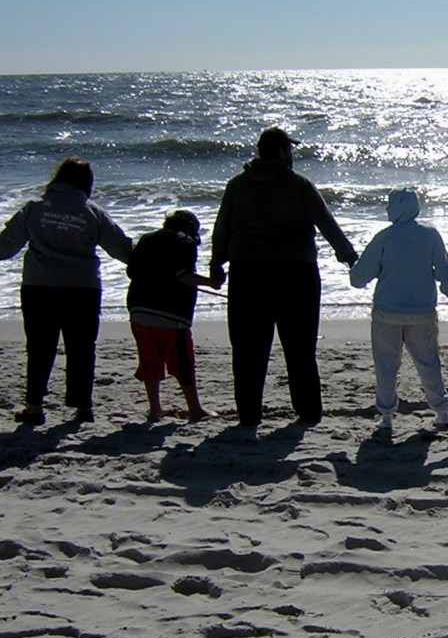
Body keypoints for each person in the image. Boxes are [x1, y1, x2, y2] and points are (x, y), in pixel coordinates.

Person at [209, 127, 358, 427]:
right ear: (281, 152)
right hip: (296, 274)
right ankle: (308, 413)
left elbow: (221, 227)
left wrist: (217, 264)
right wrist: (350, 258)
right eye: (289, 149)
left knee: (248, 350)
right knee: (300, 349)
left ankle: (249, 416)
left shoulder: (237, 186)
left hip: (248, 274)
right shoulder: (299, 185)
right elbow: (327, 224)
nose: (291, 155)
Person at [0, 156, 133, 425]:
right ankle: (83, 408)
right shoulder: (92, 212)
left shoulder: (34, 209)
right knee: (82, 348)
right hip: (82, 288)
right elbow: (123, 250)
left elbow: (5, 247)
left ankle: (35, 407)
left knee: (39, 348)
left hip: (40, 286)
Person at [350, 188, 448, 431]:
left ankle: (386, 415)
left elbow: (359, 279)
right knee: (428, 363)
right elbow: (446, 274)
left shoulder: (384, 237)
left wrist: (352, 265)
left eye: (389, 205)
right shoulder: (430, 235)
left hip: (386, 312)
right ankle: (441, 412)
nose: (386, 209)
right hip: (422, 312)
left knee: (386, 366)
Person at [126, 210, 220, 422]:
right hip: (170, 314)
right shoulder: (184, 242)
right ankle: (195, 409)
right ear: (189, 228)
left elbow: (131, 271)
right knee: (182, 363)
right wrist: (211, 283)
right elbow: (183, 275)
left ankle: (155, 409)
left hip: (138, 310)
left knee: (150, 361)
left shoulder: (147, 239)